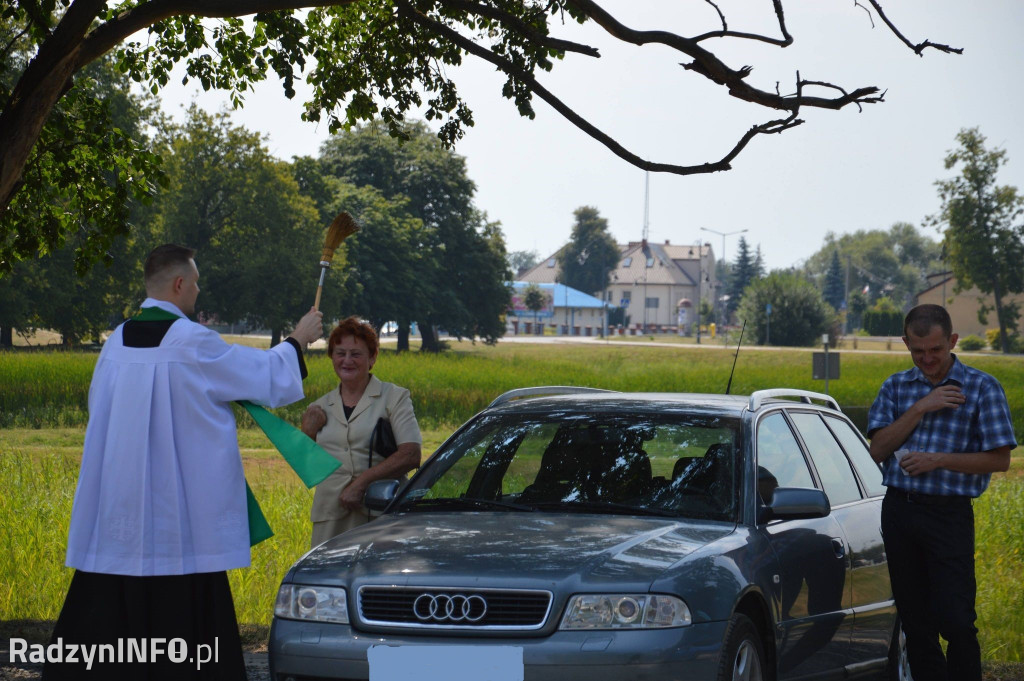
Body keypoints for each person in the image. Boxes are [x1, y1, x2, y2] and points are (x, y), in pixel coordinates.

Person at [44, 244, 323, 681]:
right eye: (194, 283)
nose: (197, 291)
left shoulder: (115, 342)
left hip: (119, 511)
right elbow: (261, 374)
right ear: (178, 284)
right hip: (178, 522)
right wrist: (299, 339)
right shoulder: (190, 342)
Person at [867, 304, 1015, 681]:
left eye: (935, 350)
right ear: (906, 343)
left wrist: (939, 460)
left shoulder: (982, 387)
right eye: (918, 351)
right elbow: (878, 450)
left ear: (952, 341)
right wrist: (921, 407)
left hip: (948, 514)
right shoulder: (895, 387)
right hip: (900, 511)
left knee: (956, 619)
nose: (927, 359)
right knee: (916, 622)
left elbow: (999, 460)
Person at [302, 316, 422, 548]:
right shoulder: (318, 408)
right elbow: (308, 471)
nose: (347, 360)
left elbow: (411, 454)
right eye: (340, 353)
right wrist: (307, 433)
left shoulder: (395, 397)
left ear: (372, 357)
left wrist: (362, 483)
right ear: (331, 357)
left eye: (356, 354)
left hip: (380, 517)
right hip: (330, 521)